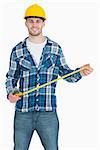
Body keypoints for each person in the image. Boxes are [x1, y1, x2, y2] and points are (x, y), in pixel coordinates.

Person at [5, 3, 93, 150]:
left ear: (43, 23)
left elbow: (66, 73)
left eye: (38, 21)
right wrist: (10, 94)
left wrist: (80, 72)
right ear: (26, 23)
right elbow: (11, 77)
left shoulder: (55, 48)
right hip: (23, 114)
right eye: (31, 20)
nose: (34, 24)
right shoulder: (17, 50)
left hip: (48, 114)